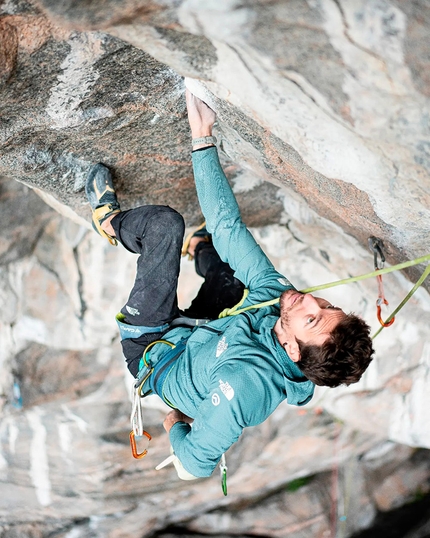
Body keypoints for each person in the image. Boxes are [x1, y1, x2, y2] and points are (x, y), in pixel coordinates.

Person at [85, 89, 374, 480]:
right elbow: (229, 227)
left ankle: (108, 223)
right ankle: (199, 245)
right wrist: (202, 137)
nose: (308, 301)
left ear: (290, 350)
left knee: (164, 225)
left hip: (154, 350)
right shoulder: (279, 302)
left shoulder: (243, 387)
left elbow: (191, 467)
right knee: (228, 267)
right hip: (204, 336)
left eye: (310, 319)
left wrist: (175, 424)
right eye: (325, 307)